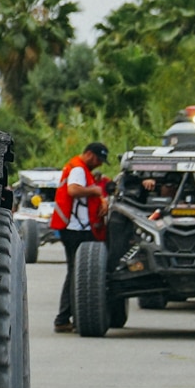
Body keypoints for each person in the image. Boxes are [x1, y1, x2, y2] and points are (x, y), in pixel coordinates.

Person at [51, 139, 111, 331]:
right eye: (99, 160)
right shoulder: (78, 169)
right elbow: (73, 190)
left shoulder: (81, 168)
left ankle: (68, 318)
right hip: (75, 230)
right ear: (90, 155)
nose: (100, 164)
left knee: (76, 274)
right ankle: (66, 318)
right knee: (79, 275)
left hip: (76, 228)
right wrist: (94, 190)